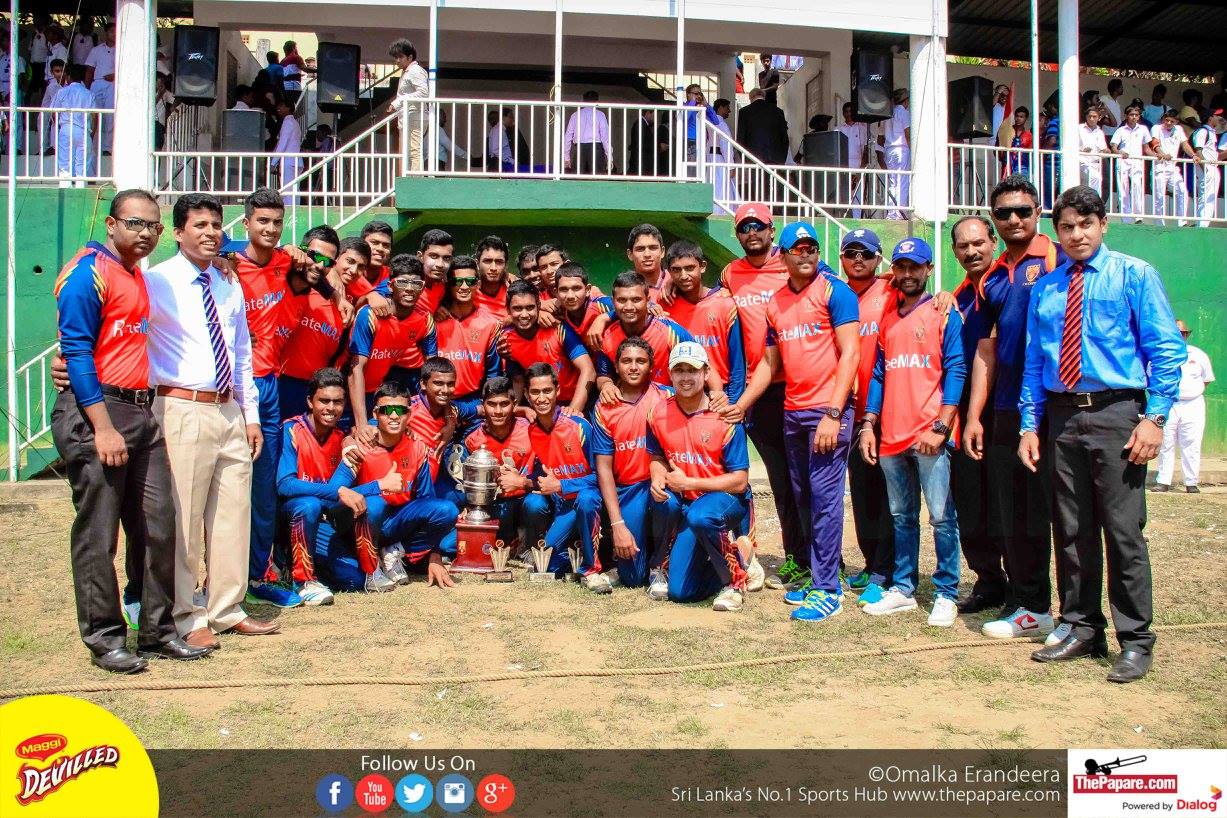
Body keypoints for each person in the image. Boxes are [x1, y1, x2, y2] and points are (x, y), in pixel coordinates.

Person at [1021, 186, 1185, 683]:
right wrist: (1029, 425)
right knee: (1071, 530)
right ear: (1056, 231)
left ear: (1103, 224)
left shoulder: (1134, 275)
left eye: (1085, 224)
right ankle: (1081, 626)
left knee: (1123, 530)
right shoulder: (1047, 288)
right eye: (1067, 227)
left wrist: (1155, 418)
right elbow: (1035, 363)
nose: (1076, 235)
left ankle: (1134, 640)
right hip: (1063, 418)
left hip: (1118, 414)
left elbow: (1166, 349)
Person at [53, 189, 211, 673]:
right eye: (135, 223)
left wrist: (222, 261)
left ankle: (158, 631)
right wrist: (101, 427)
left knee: (158, 525)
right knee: (99, 533)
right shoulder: (87, 273)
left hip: (141, 412)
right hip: (98, 413)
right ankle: (105, 639)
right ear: (111, 224)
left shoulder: (135, 274)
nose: (145, 233)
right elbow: (76, 352)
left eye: (153, 226)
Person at [144, 193, 278, 649]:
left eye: (216, 225)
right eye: (199, 225)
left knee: (232, 513)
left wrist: (251, 415)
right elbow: (121, 328)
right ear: (178, 232)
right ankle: (186, 614)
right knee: (184, 516)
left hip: (229, 409)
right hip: (181, 407)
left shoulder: (226, 282)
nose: (210, 233)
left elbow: (241, 353)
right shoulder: (156, 282)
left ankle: (227, 608)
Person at [731, 221, 859, 623]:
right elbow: (769, 364)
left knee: (824, 498)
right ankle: (817, 573)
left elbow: (851, 353)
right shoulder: (776, 303)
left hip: (827, 412)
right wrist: (742, 404)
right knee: (803, 497)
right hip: (793, 412)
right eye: (797, 249)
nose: (805, 255)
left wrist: (834, 413)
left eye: (811, 248)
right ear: (783, 256)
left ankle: (828, 589)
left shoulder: (835, 291)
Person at [232, 199, 345, 608]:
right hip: (231, 385)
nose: (318, 263)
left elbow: (324, 278)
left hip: (269, 388)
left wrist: (339, 292)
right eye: (312, 255)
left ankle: (260, 573)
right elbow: (218, 247)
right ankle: (211, 577)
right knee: (226, 488)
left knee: (265, 488)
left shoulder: (305, 288)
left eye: (327, 261)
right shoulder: (239, 263)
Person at [964, 175, 1062, 637]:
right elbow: (986, 350)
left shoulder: (1058, 256)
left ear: (1038, 212)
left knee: (1066, 513)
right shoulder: (994, 277)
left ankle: (1077, 614)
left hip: (1057, 405)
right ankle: (1030, 605)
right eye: (1004, 213)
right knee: (1016, 511)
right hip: (1007, 408)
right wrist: (973, 417)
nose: (1014, 219)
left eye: (1023, 210)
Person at [859, 238, 965, 627]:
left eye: (915, 267)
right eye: (901, 266)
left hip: (929, 435)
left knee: (941, 517)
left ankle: (946, 593)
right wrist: (869, 424)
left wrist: (942, 426)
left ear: (928, 269)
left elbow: (956, 368)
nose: (907, 273)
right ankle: (903, 588)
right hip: (892, 436)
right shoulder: (888, 318)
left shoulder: (943, 313)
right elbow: (878, 375)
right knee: (902, 516)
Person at [717, 203, 805, 589]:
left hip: (798, 386)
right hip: (758, 391)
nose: (751, 232)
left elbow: (842, 284)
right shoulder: (730, 273)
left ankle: (824, 559)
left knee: (808, 480)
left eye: (759, 225)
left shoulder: (791, 263)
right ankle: (795, 558)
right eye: (744, 227)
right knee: (782, 481)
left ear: (772, 229)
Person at [648, 343, 755, 611]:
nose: (685, 377)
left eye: (693, 370)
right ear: (670, 374)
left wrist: (690, 483)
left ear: (706, 373)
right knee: (681, 592)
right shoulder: (658, 413)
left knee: (701, 516)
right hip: (690, 504)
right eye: (679, 370)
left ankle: (734, 583)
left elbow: (740, 480)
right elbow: (657, 455)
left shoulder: (725, 417)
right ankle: (739, 556)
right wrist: (657, 475)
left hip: (726, 500)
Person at [338, 382, 458, 591]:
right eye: (386, 410)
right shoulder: (359, 446)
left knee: (447, 510)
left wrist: (435, 555)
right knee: (375, 505)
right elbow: (334, 495)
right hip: (359, 522)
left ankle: (394, 551)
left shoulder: (418, 447)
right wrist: (378, 486)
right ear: (375, 413)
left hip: (396, 522)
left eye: (400, 410)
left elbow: (426, 500)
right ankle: (371, 568)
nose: (394, 416)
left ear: (409, 414)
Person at [948, 216, 1007, 618]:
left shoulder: (1007, 286)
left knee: (1006, 503)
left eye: (978, 243)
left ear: (993, 242)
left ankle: (1022, 587)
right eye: (963, 246)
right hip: (966, 411)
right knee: (970, 501)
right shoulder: (960, 296)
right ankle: (988, 581)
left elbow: (992, 351)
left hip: (1002, 409)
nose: (972, 251)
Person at [837, 229, 894, 604]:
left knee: (886, 495)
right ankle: (872, 562)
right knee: (862, 493)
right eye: (851, 253)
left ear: (878, 258)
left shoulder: (890, 291)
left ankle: (884, 571)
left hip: (885, 410)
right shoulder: (836, 295)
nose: (859, 259)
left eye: (867, 253)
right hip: (849, 411)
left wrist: (944, 296)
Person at [592, 338, 674, 596]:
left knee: (669, 504)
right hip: (628, 490)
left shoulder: (667, 397)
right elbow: (604, 469)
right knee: (632, 578)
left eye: (641, 361)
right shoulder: (605, 406)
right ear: (616, 366)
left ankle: (660, 565)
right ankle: (634, 566)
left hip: (663, 483)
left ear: (651, 366)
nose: (634, 367)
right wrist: (617, 525)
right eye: (627, 361)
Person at [518, 363, 610, 593]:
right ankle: (580, 558)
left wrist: (562, 484)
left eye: (547, 391)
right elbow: (546, 473)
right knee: (545, 565)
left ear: (557, 390)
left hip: (590, 502)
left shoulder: (579, 426)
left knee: (587, 499)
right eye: (535, 392)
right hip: (565, 507)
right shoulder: (533, 430)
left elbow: (602, 477)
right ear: (527, 395)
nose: (541, 398)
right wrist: (523, 480)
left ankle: (592, 570)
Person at [275, 367, 355, 604]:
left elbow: (335, 498)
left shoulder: (342, 439)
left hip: (319, 520)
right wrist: (335, 491)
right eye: (324, 401)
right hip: (287, 517)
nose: (331, 408)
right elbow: (285, 485)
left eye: (337, 402)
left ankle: (297, 565)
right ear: (310, 401)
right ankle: (302, 580)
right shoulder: (290, 430)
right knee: (308, 504)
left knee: (353, 578)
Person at [440, 376, 544, 555]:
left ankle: (530, 545)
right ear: (483, 405)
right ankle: (508, 541)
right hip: (494, 506)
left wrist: (522, 482)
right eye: (491, 404)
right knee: (447, 546)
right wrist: (470, 505)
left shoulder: (531, 431)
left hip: (524, 501)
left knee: (536, 504)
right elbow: (466, 482)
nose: (498, 411)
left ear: (514, 404)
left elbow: (546, 474)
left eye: (504, 404)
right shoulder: (472, 440)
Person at [279, 236, 366, 420]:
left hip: (317, 391)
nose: (353, 270)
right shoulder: (303, 284)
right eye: (349, 261)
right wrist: (287, 247)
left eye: (360, 267)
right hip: (279, 381)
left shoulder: (349, 309)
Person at [347, 255, 438, 427]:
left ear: (422, 288)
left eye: (416, 284)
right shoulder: (370, 315)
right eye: (402, 283)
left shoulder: (425, 320)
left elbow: (434, 369)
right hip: (348, 393)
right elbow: (356, 368)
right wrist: (361, 424)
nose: (409, 289)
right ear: (390, 286)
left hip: (377, 393)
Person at [661, 241, 746, 404]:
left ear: (703, 266)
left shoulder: (725, 305)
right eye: (676, 270)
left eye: (690, 268)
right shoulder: (665, 306)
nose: (683, 275)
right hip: (680, 394)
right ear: (669, 272)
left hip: (721, 395)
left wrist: (733, 403)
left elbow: (737, 366)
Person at [594, 271, 700, 394]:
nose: (629, 307)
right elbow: (604, 375)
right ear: (613, 302)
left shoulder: (670, 331)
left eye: (636, 300)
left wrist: (716, 391)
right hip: (628, 402)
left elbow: (702, 362)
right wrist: (606, 385)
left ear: (647, 300)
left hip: (667, 402)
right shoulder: (607, 336)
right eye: (622, 300)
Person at [502, 280, 595, 414]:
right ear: (508, 309)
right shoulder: (506, 340)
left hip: (576, 401)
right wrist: (514, 409)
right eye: (517, 308)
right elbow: (518, 379)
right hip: (541, 405)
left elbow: (588, 369)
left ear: (539, 306)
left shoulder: (557, 329)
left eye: (530, 308)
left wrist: (573, 410)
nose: (524, 314)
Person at [434, 257, 503, 416]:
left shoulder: (490, 324)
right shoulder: (434, 320)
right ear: (449, 284)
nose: (464, 287)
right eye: (458, 281)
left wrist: (487, 403)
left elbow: (493, 373)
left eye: (470, 281)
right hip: (436, 400)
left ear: (477, 284)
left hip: (473, 400)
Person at [1153, 320, 1214, 494]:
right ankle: (1163, 481)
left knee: (1192, 443)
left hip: (1193, 404)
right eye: (1176, 332)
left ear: (1186, 335)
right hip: (1168, 403)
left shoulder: (1198, 355)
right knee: (1166, 442)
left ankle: (1191, 482)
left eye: (1182, 333)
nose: (1179, 336)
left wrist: (1190, 393)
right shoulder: (1160, 354)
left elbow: (1206, 379)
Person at [1150, 109, 1200, 226]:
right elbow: (1154, 143)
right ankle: (1159, 224)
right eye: (1166, 120)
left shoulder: (1179, 129)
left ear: (1176, 122)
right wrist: (1162, 154)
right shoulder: (1156, 128)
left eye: (1171, 121)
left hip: (1173, 168)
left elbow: (1185, 144)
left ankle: (1182, 222)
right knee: (1159, 197)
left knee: (1182, 192)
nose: (1168, 123)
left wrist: (1193, 155)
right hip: (1160, 168)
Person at [387, 38, 429, 172]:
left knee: (414, 150)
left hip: (415, 115)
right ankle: (410, 178)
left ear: (410, 57)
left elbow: (423, 93)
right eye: (396, 57)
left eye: (400, 57)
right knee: (407, 151)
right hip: (408, 115)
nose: (397, 60)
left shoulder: (415, 70)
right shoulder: (407, 72)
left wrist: (399, 102)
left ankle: (415, 181)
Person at [1109, 105, 1153, 224]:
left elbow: (1147, 148)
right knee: (1123, 190)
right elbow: (1114, 147)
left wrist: (1157, 156)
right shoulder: (1121, 130)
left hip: (1136, 162)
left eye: (1136, 115)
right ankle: (1126, 219)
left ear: (1139, 117)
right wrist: (1120, 152)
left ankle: (1138, 217)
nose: (1134, 117)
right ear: (1126, 116)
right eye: (1131, 115)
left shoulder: (1143, 129)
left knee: (1137, 187)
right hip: (1123, 161)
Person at [52, 63, 93, 187]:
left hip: (66, 128)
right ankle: (81, 187)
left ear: (68, 76)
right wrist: (92, 133)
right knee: (82, 165)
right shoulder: (88, 93)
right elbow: (94, 116)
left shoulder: (62, 92)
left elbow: (54, 113)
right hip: (83, 130)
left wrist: (59, 126)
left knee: (65, 163)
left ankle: (65, 187)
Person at [83, 22, 116, 153]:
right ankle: (92, 146)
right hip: (97, 83)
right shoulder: (96, 50)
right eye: (111, 31)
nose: (114, 34)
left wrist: (115, 75)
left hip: (113, 84)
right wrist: (86, 89)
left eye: (116, 31)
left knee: (110, 116)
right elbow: (89, 70)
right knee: (94, 115)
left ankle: (107, 148)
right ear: (106, 33)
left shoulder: (121, 50)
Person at [563, 90, 612, 174]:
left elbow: (567, 137)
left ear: (583, 101)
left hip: (580, 149)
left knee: (578, 178)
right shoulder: (600, 115)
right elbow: (605, 138)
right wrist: (609, 157)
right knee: (597, 178)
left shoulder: (575, 115)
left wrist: (566, 158)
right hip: (596, 149)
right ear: (597, 101)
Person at [1191, 109, 1226, 227]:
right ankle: (1202, 225)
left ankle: (1203, 224)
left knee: (1210, 198)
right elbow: (1198, 150)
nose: (1219, 118)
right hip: (1206, 167)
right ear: (1210, 118)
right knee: (1205, 197)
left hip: (1211, 167)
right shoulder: (1203, 131)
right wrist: (1205, 168)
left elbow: (1215, 155)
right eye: (1217, 116)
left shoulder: (1211, 132)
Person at [736, 88, 789, 166]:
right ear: (764, 96)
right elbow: (784, 138)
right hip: (775, 160)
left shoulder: (744, 112)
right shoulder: (778, 111)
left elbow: (740, 138)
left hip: (752, 160)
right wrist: (781, 160)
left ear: (750, 98)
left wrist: (745, 159)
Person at [838, 102, 873, 218]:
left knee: (858, 195)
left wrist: (861, 169)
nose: (848, 114)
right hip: (843, 166)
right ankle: (843, 218)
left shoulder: (863, 128)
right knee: (843, 194)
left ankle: (857, 219)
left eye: (850, 111)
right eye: (846, 112)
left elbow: (866, 150)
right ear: (843, 113)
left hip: (858, 164)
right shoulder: (838, 129)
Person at [881, 88, 911, 219]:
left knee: (893, 183)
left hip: (889, 149)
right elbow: (908, 134)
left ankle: (892, 213)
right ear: (905, 101)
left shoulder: (888, 114)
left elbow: (881, 136)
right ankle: (899, 213)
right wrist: (913, 151)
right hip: (901, 149)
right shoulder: (903, 112)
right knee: (902, 181)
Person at [707, 98, 738, 211]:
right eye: (727, 108)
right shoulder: (721, 124)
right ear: (720, 108)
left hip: (709, 157)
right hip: (720, 158)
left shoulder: (709, 121)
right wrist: (731, 165)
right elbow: (726, 145)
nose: (729, 111)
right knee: (722, 188)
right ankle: (721, 211)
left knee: (713, 185)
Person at [473, 235, 510, 320]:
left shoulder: (513, 292)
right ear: (477, 263)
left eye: (499, 262)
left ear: (506, 265)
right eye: (487, 261)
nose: (493, 268)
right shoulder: (468, 292)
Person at [273, 100, 303, 204]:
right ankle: (296, 209)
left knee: (287, 190)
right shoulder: (295, 123)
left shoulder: (287, 122)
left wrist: (273, 162)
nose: (278, 108)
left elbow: (283, 143)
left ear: (288, 108)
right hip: (296, 161)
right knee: (294, 189)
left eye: (281, 105)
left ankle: (290, 211)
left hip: (288, 161)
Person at [627, 107, 669, 177]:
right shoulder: (640, 125)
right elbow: (644, 144)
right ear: (648, 113)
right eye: (654, 115)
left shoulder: (642, 124)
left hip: (641, 165)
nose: (655, 118)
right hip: (640, 165)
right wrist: (659, 146)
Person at [1077, 106, 1109, 194]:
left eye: (1094, 116)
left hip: (1095, 164)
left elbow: (1103, 149)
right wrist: (1082, 150)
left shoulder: (1100, 132)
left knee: (1086, 187)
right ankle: (1093, 201)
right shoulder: (1079, 128)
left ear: (1099, 118)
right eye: (1089, 116)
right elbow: (1070, 145)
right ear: (1086, 117)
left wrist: (1106, 151)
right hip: (1081, 162)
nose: (1091, 119)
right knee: (1095, 178)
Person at [280, 41, 314, 108]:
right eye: (296, 47)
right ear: (293, 48)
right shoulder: (296, 58)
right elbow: (305, 69)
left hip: (284, 88)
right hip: (294, 87)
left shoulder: (282, 61)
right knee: (300, 108)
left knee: (289, 108)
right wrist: (318, 70)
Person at [1005, 106, 1033, 178]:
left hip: (1022, 167)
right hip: (1008, 166)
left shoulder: (1029, 135)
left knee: (1021, 184)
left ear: (1026, 118)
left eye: (1021, 117)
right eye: (1017, 116)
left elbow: (1030, 154)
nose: (1018, 118)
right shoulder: (1007, 131)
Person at [153, 73, 176, 151]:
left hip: (161, 124)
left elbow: (176, 99)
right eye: (159, 83)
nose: (160, 85)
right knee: (155, 146)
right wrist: (160, 94)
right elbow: (151, 105)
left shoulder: (165, 93)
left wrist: (173, 106)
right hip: (154, 122)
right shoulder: (149, 92)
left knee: (159, 145)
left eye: (162, 83)